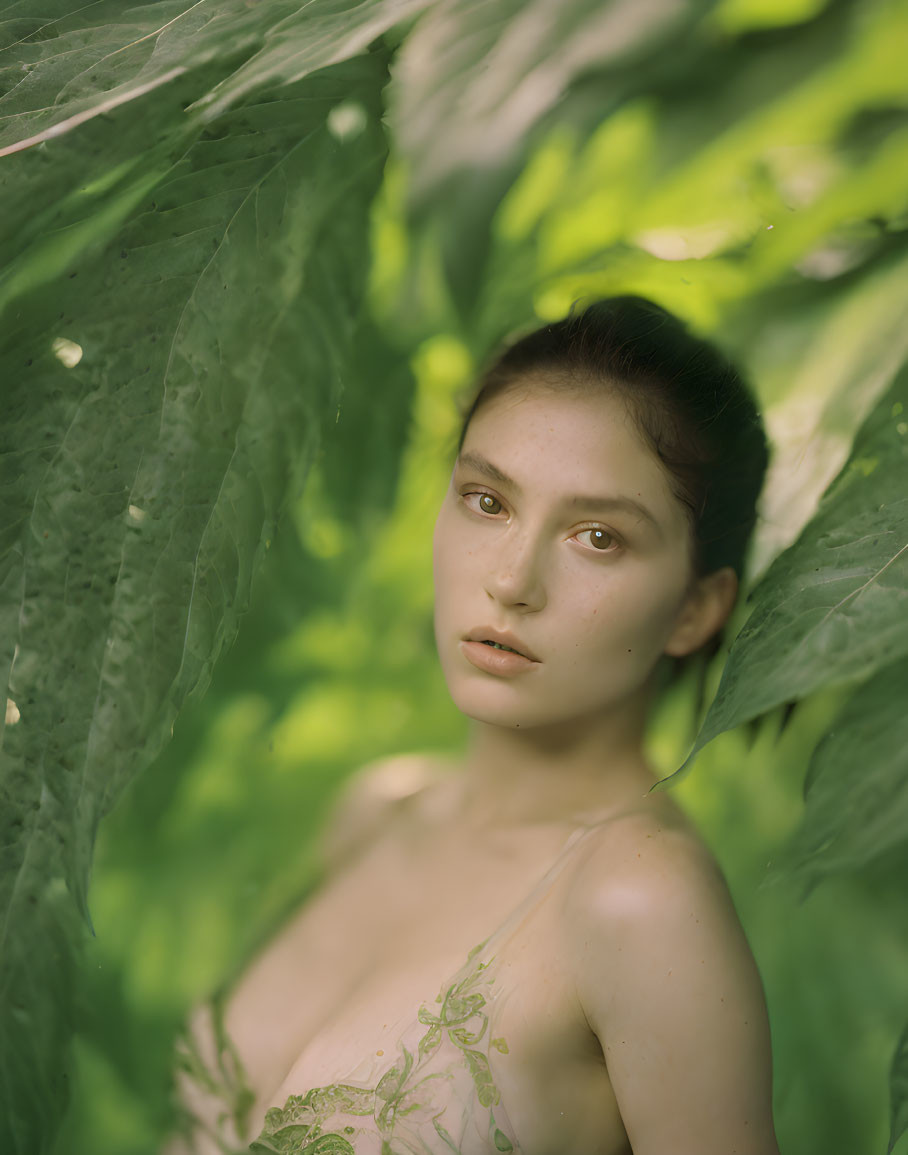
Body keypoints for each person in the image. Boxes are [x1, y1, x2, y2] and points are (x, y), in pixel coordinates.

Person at [167, 296, 780, 1154]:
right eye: (488, 501)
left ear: (695, 608)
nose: (512, 579)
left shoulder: (640, 898)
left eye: (597, 536)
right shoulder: (381, 806)